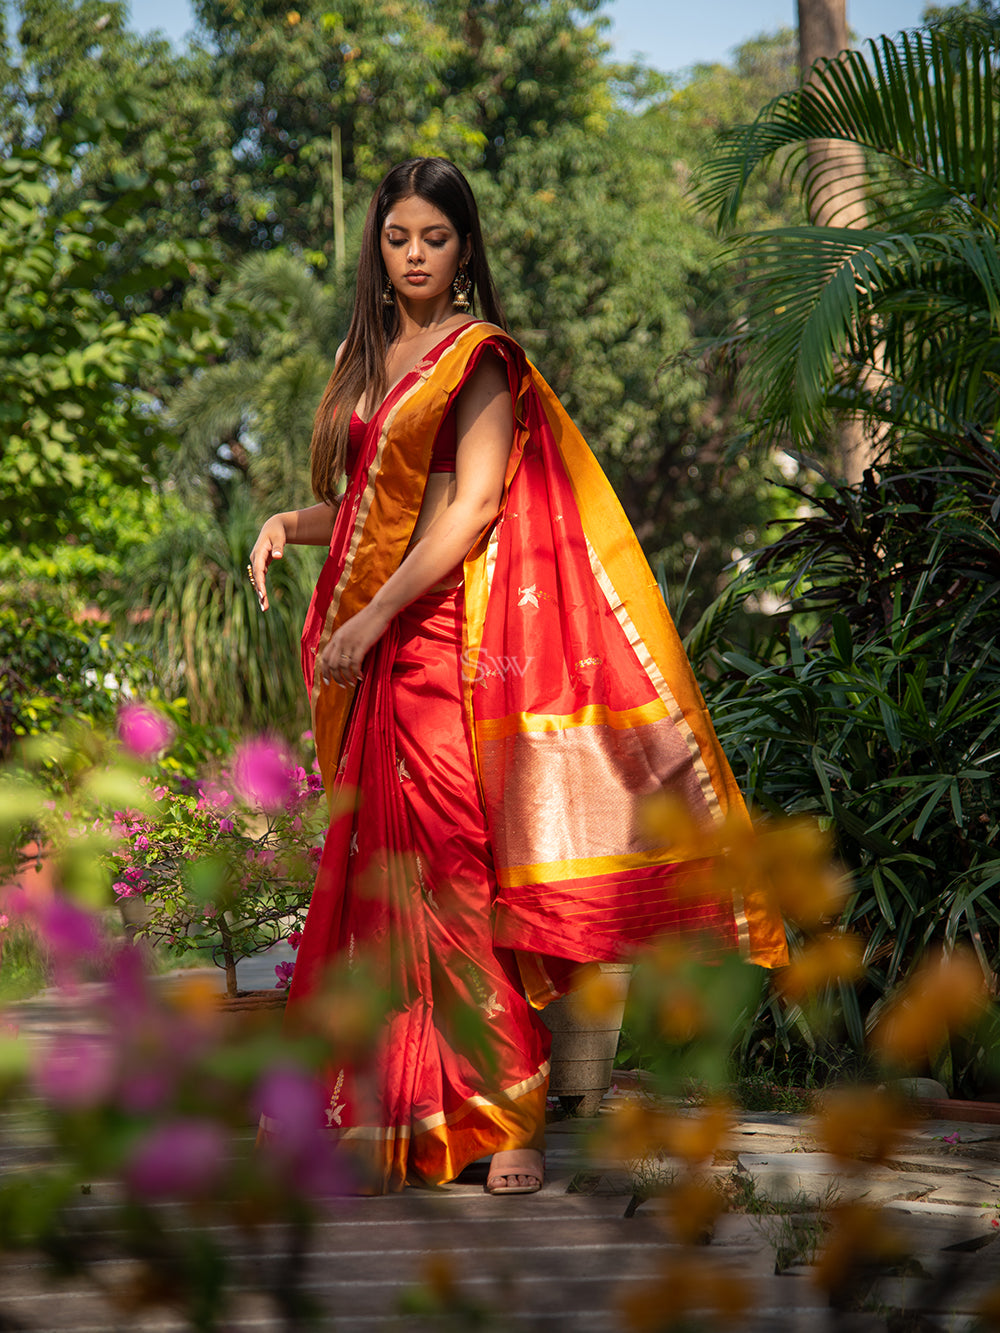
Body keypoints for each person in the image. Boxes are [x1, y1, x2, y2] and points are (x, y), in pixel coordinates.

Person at [249, 157, 786, 1197]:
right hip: (377, 649)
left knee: (457, 873)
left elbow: (470, 508)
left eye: (433, 238)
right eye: (396, 236)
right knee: (379, 881)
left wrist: (368, 615)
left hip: (446, 647)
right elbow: (377, 505)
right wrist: (290, 521)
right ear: (377, 246)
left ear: (464, 249)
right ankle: (395, 1107)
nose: (413, 254)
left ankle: (513, 1112)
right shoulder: (370, 362)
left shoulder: (477, 356)